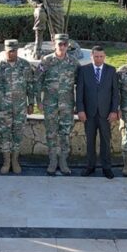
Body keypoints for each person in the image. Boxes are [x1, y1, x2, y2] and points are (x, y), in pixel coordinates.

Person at [0, 40, 36, 175]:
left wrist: (31, 103)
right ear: (5, 50)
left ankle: (15, 161)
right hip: (3, 108)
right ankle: (6, 161)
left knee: (17, 135)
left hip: (20, 108)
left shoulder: (25, 65)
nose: (11, 53)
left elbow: (30, 85)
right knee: (4, 135)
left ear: (17, 50)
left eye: (14, 50)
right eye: (9, 50)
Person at [37, 33, 80, 176]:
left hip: (67, 104)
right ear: (54, 45)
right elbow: (38, 81)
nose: (62, 47)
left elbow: (80, 85)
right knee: (51, 133)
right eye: (59, 44)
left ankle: (63, 161)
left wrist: (78, 105)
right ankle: (52, 161)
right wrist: (38, 101)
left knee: (65, 133)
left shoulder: (74, 63)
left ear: (68, 45)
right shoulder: (46, 61)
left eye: (64, 44)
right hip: (50, 104)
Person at [76, 46, 120, 178]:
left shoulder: (111, 70)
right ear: (91, 56)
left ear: (104, 56)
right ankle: (90, 166)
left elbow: (115, 94)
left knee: (106, 141)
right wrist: (80, 110)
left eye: (101, 56)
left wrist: (114, 111)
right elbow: (79, 92)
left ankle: (107, 167)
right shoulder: (84, 70)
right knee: (90, 141)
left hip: (106, 114)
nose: (99, 59)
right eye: (96, 56)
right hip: (89, 113)